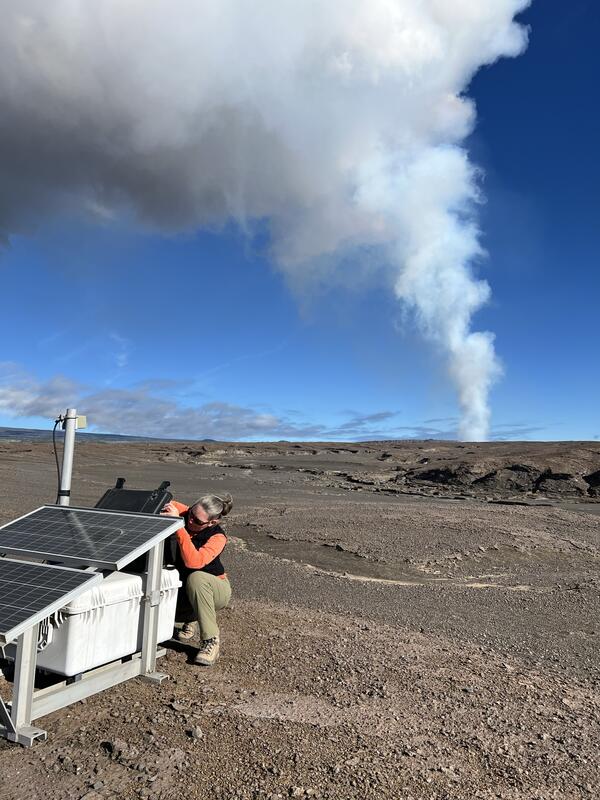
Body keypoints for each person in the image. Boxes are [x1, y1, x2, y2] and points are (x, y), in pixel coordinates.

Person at [161, 492, 233, 666]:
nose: (190, 521)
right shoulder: (189, 514)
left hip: (215, 590)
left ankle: (211, 641)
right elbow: (166, 502)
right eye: (191, 514)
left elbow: (194, 562)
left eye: (197, 521)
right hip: (186, 591)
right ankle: (189, 619)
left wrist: (178, 526)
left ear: (212, 522)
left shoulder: (217, 537)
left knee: (197, 578)